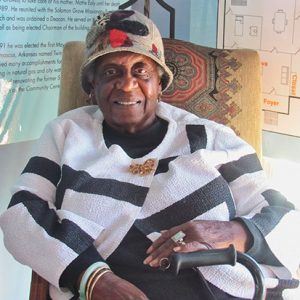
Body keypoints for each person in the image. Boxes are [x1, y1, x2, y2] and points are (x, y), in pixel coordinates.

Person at [0, 9, 299, 300]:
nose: (128, 84)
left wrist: (232, 231)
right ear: (93, 86)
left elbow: (285, 219)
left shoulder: (210, 137)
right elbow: (21, 214)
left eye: (140, 71)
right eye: (110, 72)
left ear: (160, 83)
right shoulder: (67, 133)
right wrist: (91, 278)